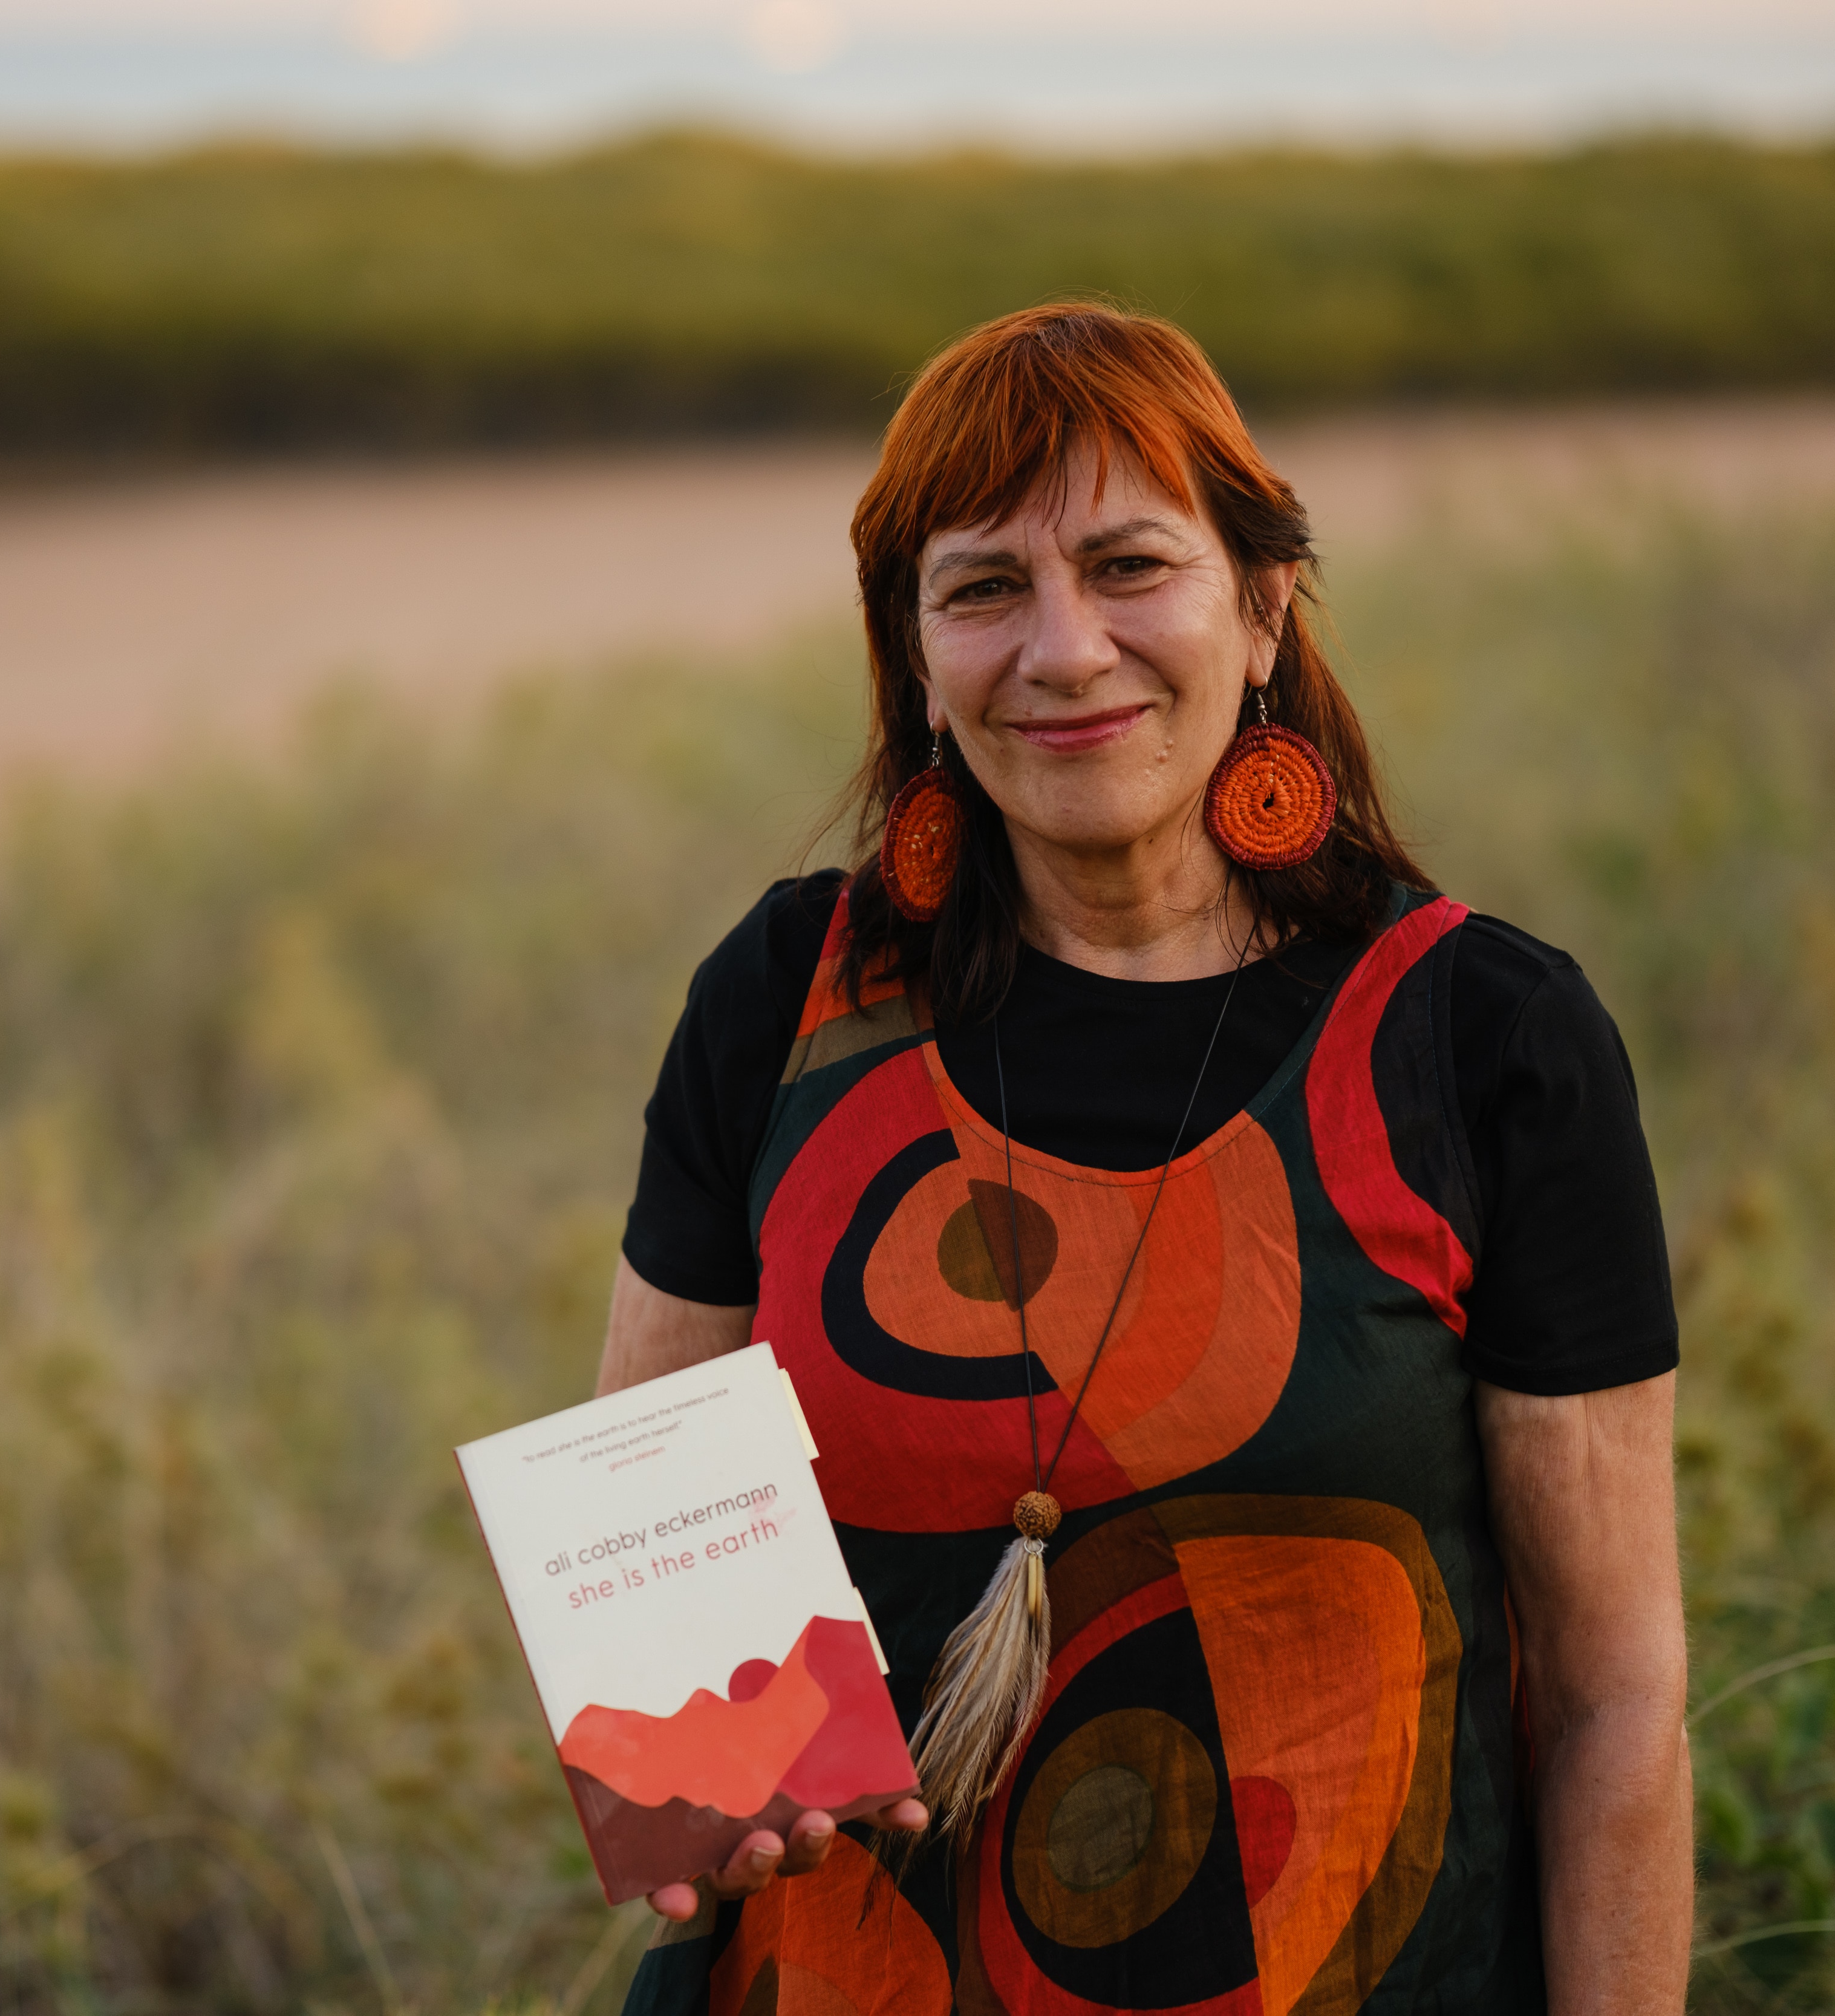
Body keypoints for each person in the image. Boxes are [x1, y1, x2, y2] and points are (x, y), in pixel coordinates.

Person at [595, 303, 1690, 2013]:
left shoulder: (1483, 1041)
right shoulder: (789, 1002)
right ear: (915, 657)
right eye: (984, 590)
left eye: (1129, 567)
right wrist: (694, 1772)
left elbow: (1619, 1701)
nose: (1067, 649)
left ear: (1261, 609)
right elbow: (649, 1572)